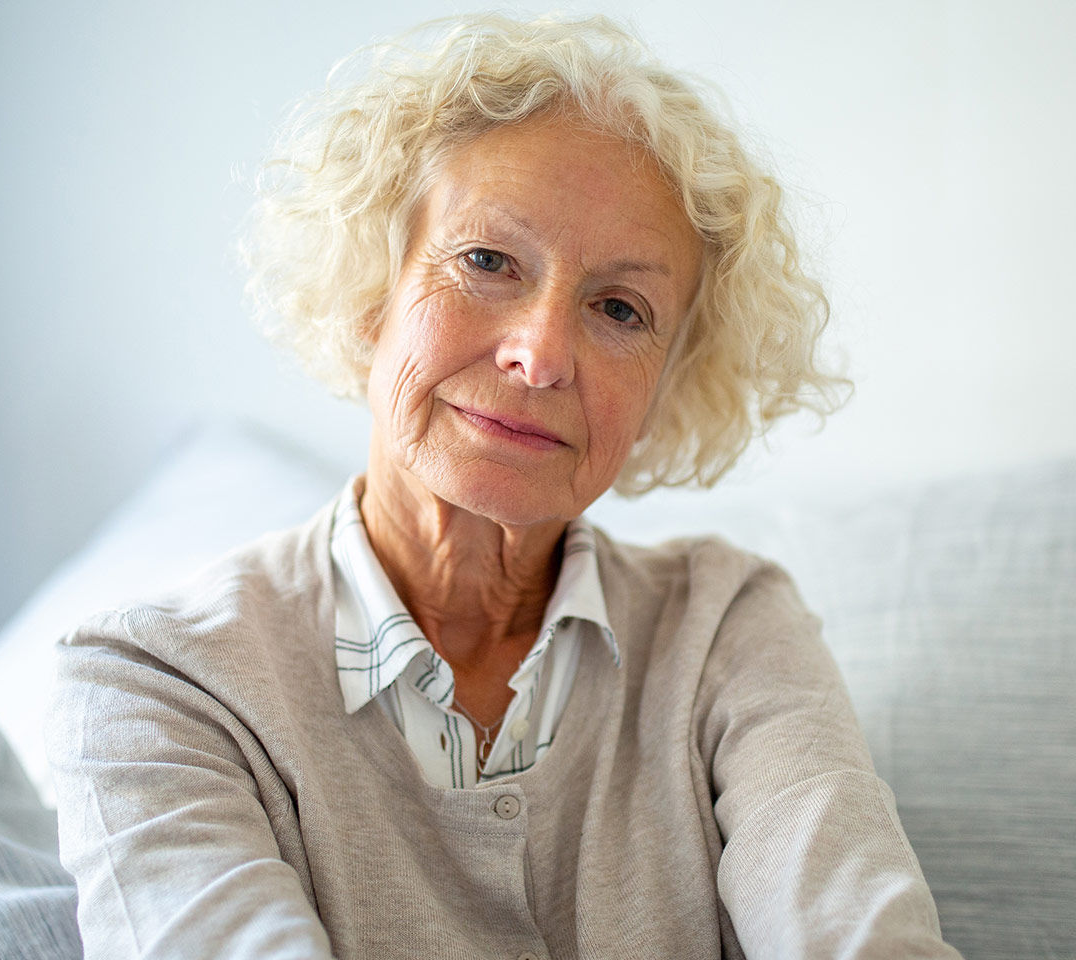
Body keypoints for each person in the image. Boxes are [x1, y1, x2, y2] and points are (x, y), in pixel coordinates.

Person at [47, 14, 962, 959]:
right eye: (487, 261)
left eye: (620, 309)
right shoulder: (159, 682)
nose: (541, 353)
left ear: (664, 391)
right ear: (371, 300)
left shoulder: (726, 626)